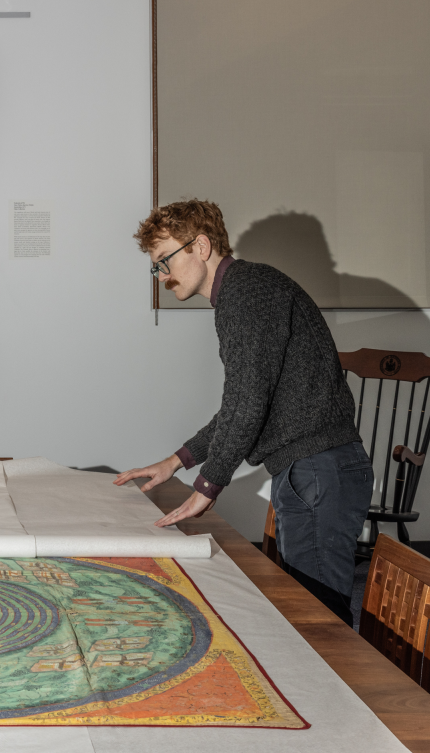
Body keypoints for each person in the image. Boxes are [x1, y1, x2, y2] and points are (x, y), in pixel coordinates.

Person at [113, 199, 372, 625]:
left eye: (164, 261)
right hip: (314, 469)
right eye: (155, 266)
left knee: (320, 624)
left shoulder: (246, 294)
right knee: (311, 615)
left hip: (317, 471)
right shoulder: (246, 291)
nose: (161, 277)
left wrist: (207, 487)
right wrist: (176, 461)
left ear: (200, 246)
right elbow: (242, 405)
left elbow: (247, 403)